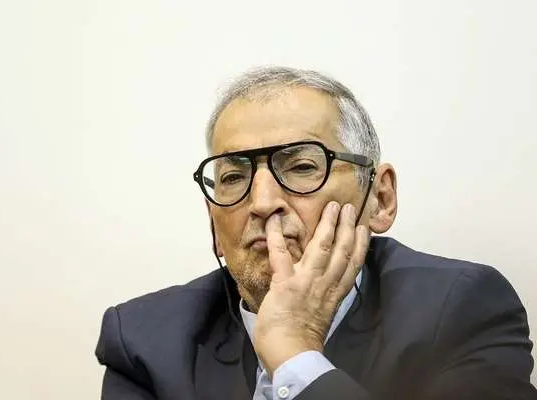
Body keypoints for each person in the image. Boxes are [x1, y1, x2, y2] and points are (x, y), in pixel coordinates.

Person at [95, 66, 536, 399]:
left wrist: (295, 355)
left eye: (302, 167)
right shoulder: (143, 342)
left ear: (379, 199)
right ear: (213, 221)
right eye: (233, 177)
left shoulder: (460, 309)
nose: (262, 201)